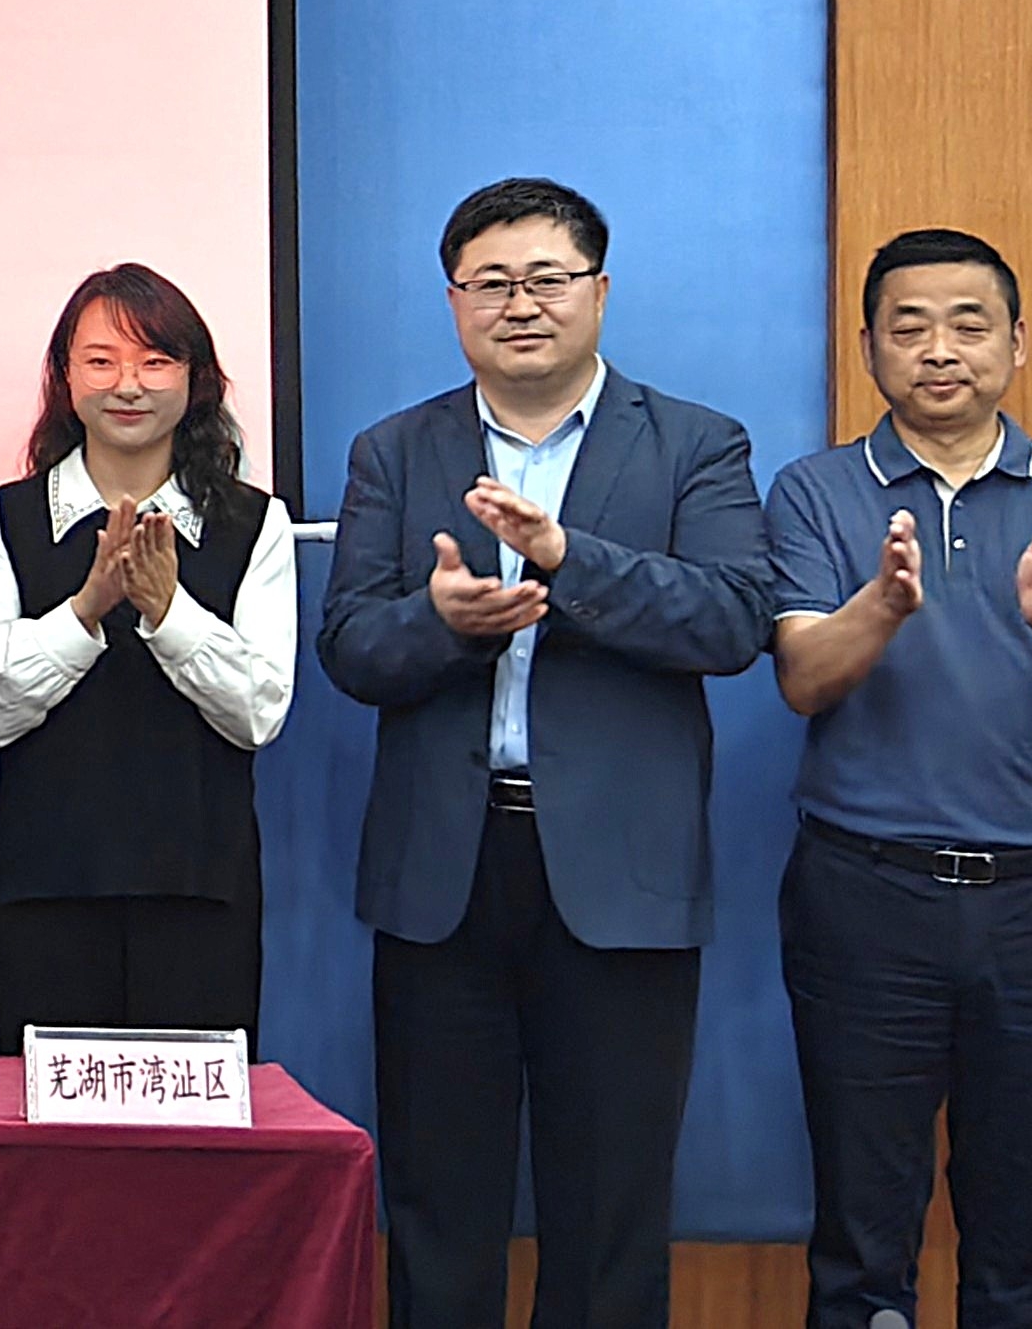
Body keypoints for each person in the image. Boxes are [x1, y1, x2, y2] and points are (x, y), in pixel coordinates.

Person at [319, 177, 775, 1329]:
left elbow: (730, 620)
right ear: (452, 301)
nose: (518, 304)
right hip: (444, 875)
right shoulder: (393, 448)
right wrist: (441, 623)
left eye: (545, 278)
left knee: (610, 1208)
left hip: (620, 877)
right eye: (489, 282)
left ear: (598, 291)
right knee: (436, 1202)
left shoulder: (694, 443)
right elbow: (349, 647)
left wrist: (569, 559)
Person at [767, 229, 1032, 1329]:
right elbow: (802, 679)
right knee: (861, 1235)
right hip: (866, 895)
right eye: (907, 327)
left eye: (969, 324)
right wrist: (881, 605)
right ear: (868, 346)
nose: (939, 349)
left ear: (1017, 341)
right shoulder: (815, 491)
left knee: (1020, 1235)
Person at [0, 264, 294, 1050]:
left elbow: (260, 713)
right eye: (101, 361)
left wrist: (168, 613)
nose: (128, 385)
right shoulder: (10, 519)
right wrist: (85, 611)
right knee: (58, 1121)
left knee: (190, 1121)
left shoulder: (252, 523)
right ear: (66, 377)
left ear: (195, 378)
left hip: (201, 890)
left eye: (155, 361)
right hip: (46, 891)